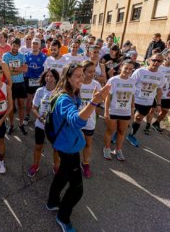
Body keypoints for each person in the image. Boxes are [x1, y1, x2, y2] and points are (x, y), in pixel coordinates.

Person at [46, 63, 110, 232]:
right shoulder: (64, 98)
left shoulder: (71, 92)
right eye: (77, 75)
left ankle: (52, 202)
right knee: (77, 188)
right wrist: (95, 102)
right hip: (67, 148)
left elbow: (71, 122)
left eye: (83, 75)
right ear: (67, 77)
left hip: (65, 143)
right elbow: (76, 120)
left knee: (62, 174)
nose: (82, 78)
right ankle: (63, 216)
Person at [126, 53, 166, 147]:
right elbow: (131, 84)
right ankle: (118, 134)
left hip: (147, 101)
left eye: (159, 61)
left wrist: (159, 104)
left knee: (139, 118)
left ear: (161, 63)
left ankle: (131, 135)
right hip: (134, 99)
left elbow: (159, 90)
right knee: (127, 118)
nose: (156, 62)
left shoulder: (161, 76)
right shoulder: (140, 71)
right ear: (149, 60)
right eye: (154, 60)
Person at [27, 68, 60, 177]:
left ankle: (56, 167)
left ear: (56, 79)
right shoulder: (40, 91)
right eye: (47, 76)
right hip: (41, 124)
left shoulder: (60, 92)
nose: (49, 78)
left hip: (55, 126)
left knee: (56, 148)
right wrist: (41, 119)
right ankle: (35, 165)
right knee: (38, 147)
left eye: (51, 76)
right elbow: (34, 108)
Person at [103, 59, 136, 161]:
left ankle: (118, 150)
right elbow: (108, 97)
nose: (128, 71)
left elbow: (132, 97)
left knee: (122, 132)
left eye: (130, 69)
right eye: (126, 68)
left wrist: (132, 111)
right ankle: (107, 148)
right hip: (113, 110)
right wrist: (106, 111)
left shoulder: (132, 81)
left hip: (125, 112)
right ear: (121, 67)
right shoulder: (113, 80)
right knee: (110, 130)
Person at [145, 51, 170, 134]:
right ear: (165, 58)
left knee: (165, 111)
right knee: (152, 110)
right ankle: (147, 125)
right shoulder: (159, 67)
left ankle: (156, 123)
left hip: (168, 94)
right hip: (156, 93)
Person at [79, 60, 101, 178]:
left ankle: (85, 163)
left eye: (93, 71)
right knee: (73, 143)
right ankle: (72, 164)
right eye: (89, 71)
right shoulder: (77, 83)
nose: (92, 74)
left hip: (90, 121)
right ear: (83, 71)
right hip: (76, 119)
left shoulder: (97, 85)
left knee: (88, 143)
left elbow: (98, 103)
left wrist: (96, 115)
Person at [2, 38, 28, 135]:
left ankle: (21, 124)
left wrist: (11, 70)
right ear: (11, 44)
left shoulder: (21, 56)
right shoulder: (6, 55)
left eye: (17, 46)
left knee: (21, 105)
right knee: (11, 106)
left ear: (19, 46)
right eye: (14, 45)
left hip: (20, 83)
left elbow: (25, 69)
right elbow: (5, 70)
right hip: (10, 83)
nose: (15, 47)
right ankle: (11, 124)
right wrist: (18, 69)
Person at [24, 38, 47, 126]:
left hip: (40, 80)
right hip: (29, 79)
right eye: (33, 44)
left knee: (41, 99)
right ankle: (27, 115)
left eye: (37, 44)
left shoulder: (44, 56)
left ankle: (41, 115)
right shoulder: (26, 55)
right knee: (29, 99)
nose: (35, 45)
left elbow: (46, 69)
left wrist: (41, 77)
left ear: (40, 45)